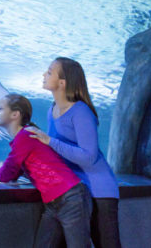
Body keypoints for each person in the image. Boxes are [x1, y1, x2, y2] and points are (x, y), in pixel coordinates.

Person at [0, 93, 91, 248]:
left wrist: (0, 167)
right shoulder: (25, 136)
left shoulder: (25, 136)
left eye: (0, 108)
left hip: (70, 198)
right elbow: (13, 172)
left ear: (15, 114)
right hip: (54, 203)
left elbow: (6, 174)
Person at [26, 57, 121, 248]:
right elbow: (57, 153)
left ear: (63, 82)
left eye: (50, 71)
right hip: (72, 193)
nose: (44, 74)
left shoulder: (81, 111)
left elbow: (89, 157)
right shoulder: (52, 110)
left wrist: (50, 141)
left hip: (98, 191)